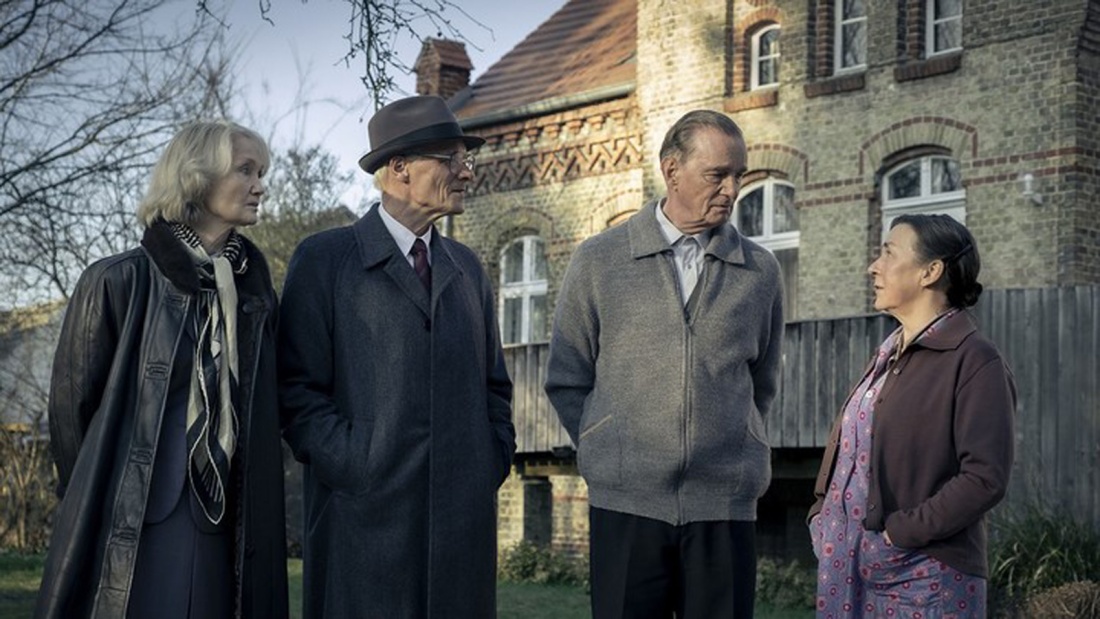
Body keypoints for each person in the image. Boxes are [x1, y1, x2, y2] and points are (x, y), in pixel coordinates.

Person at [35, 121, 289, 619]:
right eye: (245, 170)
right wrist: (103, 503)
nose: (260, 185)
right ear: (196, 177)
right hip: (135, 518)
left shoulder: (256, 298)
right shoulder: (116, 281)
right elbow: (72, 418)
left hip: (227, 522)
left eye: (262, 172)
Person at [278, 95, 515, 618]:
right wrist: (357, 461)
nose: (466, 174)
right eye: (452, 160)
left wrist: (486, 459)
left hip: (461, 527)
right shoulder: (324, 260)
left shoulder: (468, 268)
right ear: (400, 168)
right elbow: (296, 392)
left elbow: (494, 387)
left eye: (466, 160)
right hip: (362, 523)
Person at [545, 109, 784, 618]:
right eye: (717, 174)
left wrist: (740, 440)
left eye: (738, 175)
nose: (731, 188)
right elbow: (568, 377)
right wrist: (604, 442)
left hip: (723, 504)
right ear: (672, 170)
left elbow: (762, 382)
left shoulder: (760, 271)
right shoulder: (600, 260)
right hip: (627, 503)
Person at [808, 214, 1016, 617]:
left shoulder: (974, 359)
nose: (874, 266)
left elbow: (985, 478)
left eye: (888, 252)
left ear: (930, 271)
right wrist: (821, 513)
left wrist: (898, 534)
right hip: (849, 566)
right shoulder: (890, 353)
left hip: (923, 575)